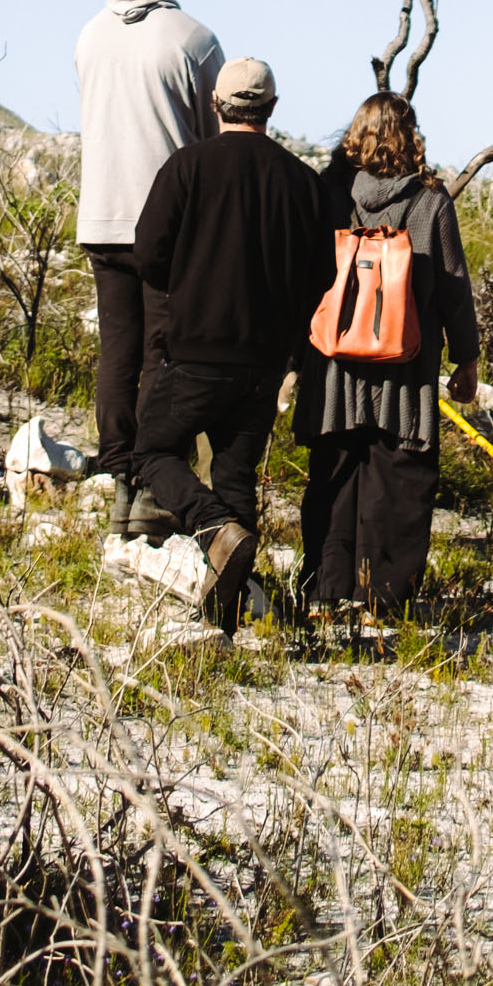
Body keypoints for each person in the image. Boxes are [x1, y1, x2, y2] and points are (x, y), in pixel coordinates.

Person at [128, 55, 333, 632]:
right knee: (236, 472)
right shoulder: (304, 182)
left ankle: (212, 527)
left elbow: (148, 256)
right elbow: (322, 273)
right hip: (266, 359)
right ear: (270, 108)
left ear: (215, 106)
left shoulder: (187, 166)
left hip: (196, 347)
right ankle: (227, 615)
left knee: (152, 452)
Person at [299, 90, 478, 617]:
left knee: (333, 473)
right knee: (399, 480)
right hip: (405, 366)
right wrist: (465, 360)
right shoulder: (430, 200)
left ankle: (326, 590)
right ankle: (384, 599)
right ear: (411, 136)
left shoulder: (331, 193)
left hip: (333, 365)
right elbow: (453, 287)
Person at [74, 0, 224, 495]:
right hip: (168, 224)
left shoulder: (90, 34)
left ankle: (115, 469)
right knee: (162, 354)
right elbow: (214, 139)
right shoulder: (194, 40)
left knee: (118, 348)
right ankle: (156, 472)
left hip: (101, 213)